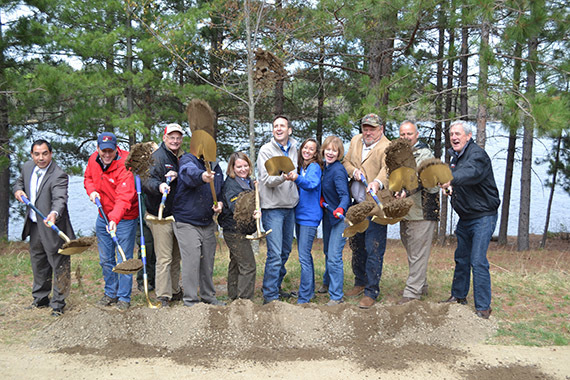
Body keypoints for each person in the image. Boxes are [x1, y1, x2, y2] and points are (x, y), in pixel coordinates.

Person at [439, 121, 500, 319]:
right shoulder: (455, 156)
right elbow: (461, 179)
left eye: (458, 134)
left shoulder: (477, 155)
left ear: (468, 136)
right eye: (451, 135)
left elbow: (471, 173)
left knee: (477, 260)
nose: (454, 138)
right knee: (461, 258)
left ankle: (483, 308)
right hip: (466, 217)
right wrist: (451, 188)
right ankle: (458, 296)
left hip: (483, 216)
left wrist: (451, 178)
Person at [14, 139, 74, 317]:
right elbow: (18, 183)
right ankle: (40, 299)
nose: (41, 158)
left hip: (52, 225)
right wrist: (18, 191)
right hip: (34, 225)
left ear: (51, 154)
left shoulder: (58, 175)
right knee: (38, 262)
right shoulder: (26, 167)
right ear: (32, 155)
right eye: (37, 154)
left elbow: (60, 199)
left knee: (59, 264)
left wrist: (54, 214)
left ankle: (58, 304)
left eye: (45, 153)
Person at [84, 132, 139, 311]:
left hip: (124, 218)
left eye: (110, 151)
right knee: (106, 259)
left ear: (116, 148)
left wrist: (114, 220)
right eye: (103, 151)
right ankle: (111, 293)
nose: (107, 155)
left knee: (124, 259)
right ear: (98, 149)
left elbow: (124, 198)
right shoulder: (94, 159)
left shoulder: (125, 165)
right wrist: (91, 191)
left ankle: (124, 297)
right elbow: (88, 179)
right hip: (103, 216)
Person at [342, 113, 391, 309]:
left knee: (374, 248)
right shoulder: (355, 141)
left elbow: (387, 170)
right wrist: (353, 171)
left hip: (375, 206)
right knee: (357, 245)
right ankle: (359, 281)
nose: (368, 132)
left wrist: (377, 182)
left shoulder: (387, 146)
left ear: (381, 129)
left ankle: (371, 290)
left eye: (372, 128)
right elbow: (345, 162)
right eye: (365, 128)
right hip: (357, 204)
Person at [172, 137, 224, 307]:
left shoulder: (216, 167)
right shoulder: (188, 159)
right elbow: (188, 173)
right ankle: (191, 301)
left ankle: (208, 297)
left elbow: (219, 192)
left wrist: (220, 204)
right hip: (187, 221)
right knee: (192, 261)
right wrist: (202, 176)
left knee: (208, 261)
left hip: (207, 221)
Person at [396, 121, 439, 304]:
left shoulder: (425, 154)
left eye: (409, 134)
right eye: (403, 134)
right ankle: (422, 285)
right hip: (407, 211)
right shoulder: (401, 155)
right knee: (413, 251)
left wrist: (406, 190)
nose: (406, 137)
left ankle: (412, 293)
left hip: (422, 211)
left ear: (417, 135)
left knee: (418, 252)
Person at [257, 115, 299, 304]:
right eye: (275, 126)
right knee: (274, 254)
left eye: (282, 126)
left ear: (289, 130)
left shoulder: (295, 148)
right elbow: (266, 180)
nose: (279, 129)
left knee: (285, 251)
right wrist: (284, 177)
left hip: (289, 206)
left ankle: (276, 286)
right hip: (272, 208)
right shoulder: (266, 151)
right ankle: (270, 296)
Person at [142, 123, 184, 307]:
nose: (175, 141)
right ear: (164, 138)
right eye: (171, 137)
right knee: (164, 257)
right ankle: (163, 295)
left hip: (175, 214)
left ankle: (175, 290)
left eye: (178, 137)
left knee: (176, 256)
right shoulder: (157, 157)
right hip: (159, 216)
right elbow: (146, 180)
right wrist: (159, 186)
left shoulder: (179, 157)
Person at [284, 138, 322, 304]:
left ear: (315, 153)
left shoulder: (314, 167)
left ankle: (304, 296)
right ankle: (309, 290)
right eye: (305, 147)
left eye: (311, 149)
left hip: (309, 217)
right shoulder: (302, 166)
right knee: (306, 255)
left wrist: (297, 178)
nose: (307, 151)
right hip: (300, 215)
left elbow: (312, 184)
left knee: (304, 257)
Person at [218, 152, 259, 301]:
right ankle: (244, 301)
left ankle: (234, 297)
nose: (243, 169)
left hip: (241, 229)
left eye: (245, 165)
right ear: (232, 168)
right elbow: (236, 207)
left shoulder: (247, 182)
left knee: (236, 263)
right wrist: (252, 214)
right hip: (234, 230)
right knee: (248, 266)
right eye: (239, 166)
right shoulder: (231, 184)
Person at [320, 136, 350, 306]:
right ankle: (327, 281)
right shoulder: (325, 167)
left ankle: (336, 296)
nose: (330, 153)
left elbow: (345, 195)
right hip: (328, 215)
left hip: (340, 218)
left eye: (334, 150)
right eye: (328, 149)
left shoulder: (338, 170)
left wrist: (341, 208)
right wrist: (323, 199)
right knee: (327, 251)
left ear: (339, 153)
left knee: (333, 256)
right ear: (323, 150)